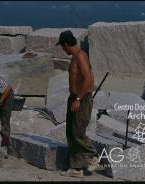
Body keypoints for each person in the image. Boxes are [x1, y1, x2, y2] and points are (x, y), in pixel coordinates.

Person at [56, 30, 99, 178]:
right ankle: (76, 168)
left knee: (78, 133)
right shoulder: (75, 57)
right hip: (74, 97)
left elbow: (88, 80)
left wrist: (78, 99)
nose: (63, 50)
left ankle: (93, 156)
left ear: (66, 44)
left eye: (62, 47)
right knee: (70, 133)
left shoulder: (80, 56)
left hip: (81, 99)